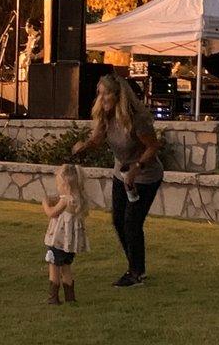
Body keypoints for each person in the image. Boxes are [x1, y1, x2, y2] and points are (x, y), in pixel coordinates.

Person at [72, 74, 163, 287]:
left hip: (145, 175)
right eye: (100, 93)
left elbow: (153, 147)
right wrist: (84, 146)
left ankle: (135, 273)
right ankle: (136, 267)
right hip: (121, 173)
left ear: (118, 95)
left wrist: (136, 168)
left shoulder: (136, 120)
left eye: (107, 93)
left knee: (132, 222)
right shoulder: (106, 116)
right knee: (118, 221)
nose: (101, 98)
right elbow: (97, 139)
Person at [42, 164, 90, 305]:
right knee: (66, 268)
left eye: (59, 184)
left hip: (58, 240)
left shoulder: (65, 200)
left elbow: (51, 213)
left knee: (54, 267)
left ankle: (53, 298)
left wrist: (45, 202)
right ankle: (70, 297)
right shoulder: (78, 199)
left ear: (65, 184)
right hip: (69, 243)